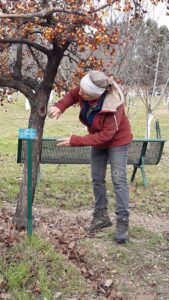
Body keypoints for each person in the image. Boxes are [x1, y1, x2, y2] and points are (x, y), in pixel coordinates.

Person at [49, 70, 132, 243]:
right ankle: (101, 217)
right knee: (97, 178)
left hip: (117, 141)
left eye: (84, 92)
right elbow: (73, 95)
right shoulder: (84, 92)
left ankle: (122, 222)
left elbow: (106, 136)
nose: (80, 93)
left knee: (119, 179)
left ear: (94, 95)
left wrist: (76, 140)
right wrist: (60, 106)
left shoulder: (113, 105)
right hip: (98, 138)